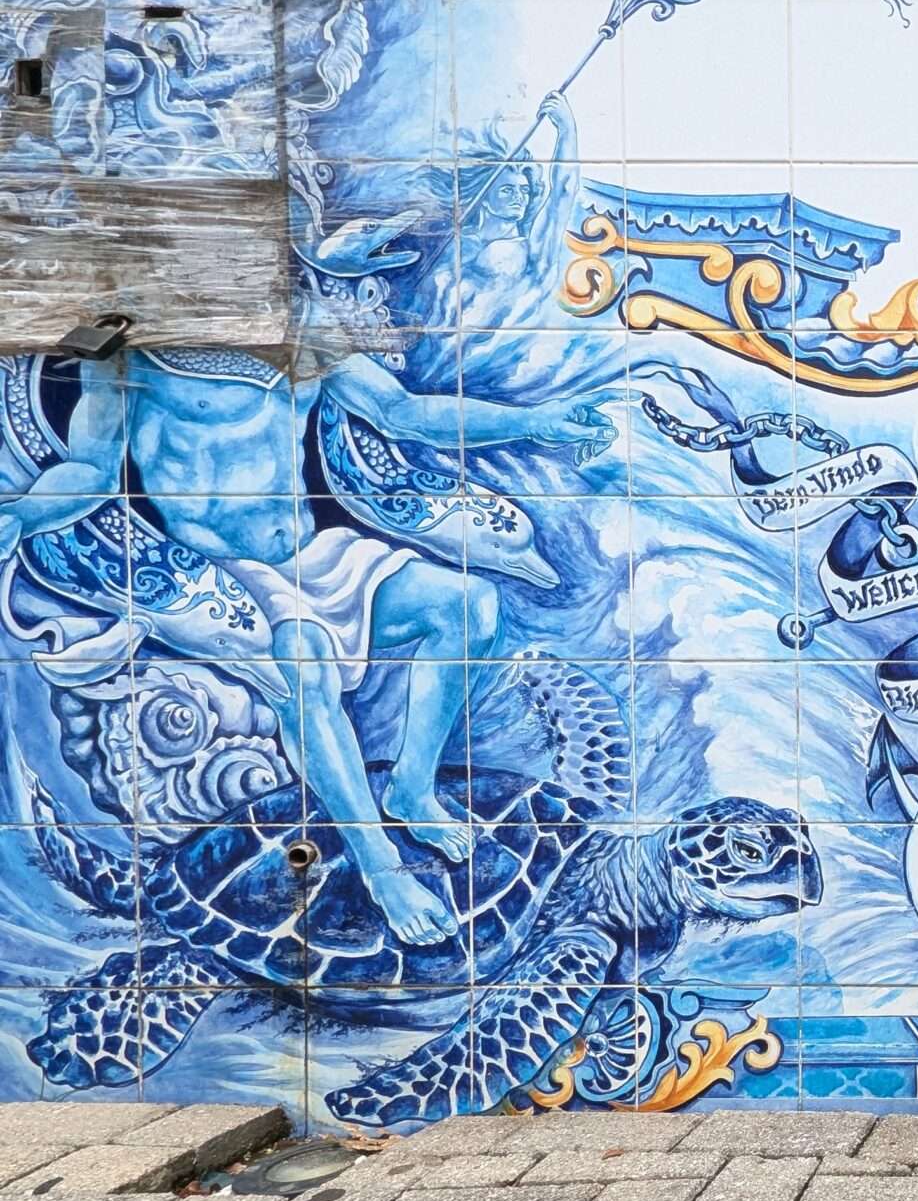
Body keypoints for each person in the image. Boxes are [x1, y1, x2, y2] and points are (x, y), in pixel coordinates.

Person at [0, 345, 613, 945]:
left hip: (312, 554)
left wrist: (534, 421)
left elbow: (404, 412)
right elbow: (92, 470)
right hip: (225, 569)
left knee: (469, 606)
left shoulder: (304, 325)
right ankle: (383, 867)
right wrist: (24, 515)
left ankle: (412, 790)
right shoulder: (125, 344)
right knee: (307, 672)